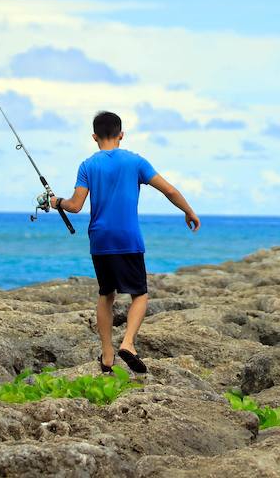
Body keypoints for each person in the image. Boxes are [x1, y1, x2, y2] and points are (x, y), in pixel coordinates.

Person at [55, 111, 200, 373]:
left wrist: (57, 203)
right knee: (140, 294)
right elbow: (169, 190)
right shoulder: (136, 162)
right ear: (121, 135)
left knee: (106, 294)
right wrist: (188, 211)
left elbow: (75, 206)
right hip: (128, 238)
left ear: (94, 137)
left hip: (100, 239)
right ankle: (129, 344)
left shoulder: (87, 166)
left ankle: (108, 355)